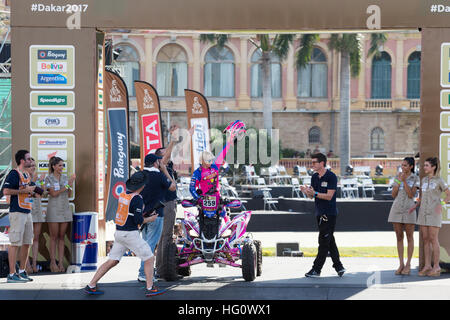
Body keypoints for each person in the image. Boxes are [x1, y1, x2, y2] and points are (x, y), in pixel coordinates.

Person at [85, 171, 165, 297]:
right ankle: (150, 288)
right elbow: (138, 220)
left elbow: (130, 214)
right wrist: (151, 219)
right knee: (149, 258)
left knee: (112, 260)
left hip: (119, 233)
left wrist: (141, 215)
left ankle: (91, 285)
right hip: (130, 234)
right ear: (142, 186)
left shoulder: (123, 195)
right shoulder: (137, 198)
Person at [300, 152, 345, 278]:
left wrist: (314, 194)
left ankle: (316, 269)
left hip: (329, 213)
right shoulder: (314, 177)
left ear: (322, 163)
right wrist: (306, 192)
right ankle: (339, 267)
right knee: (329, 240)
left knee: (323, 241)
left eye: (314, 162)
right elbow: (311, 196)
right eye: (312, 162)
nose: (312, 164)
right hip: (319, 212)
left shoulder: (331, 176)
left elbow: (329, 196)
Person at [137, 153, 176, 282]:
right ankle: (143, 273)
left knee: (145, 244)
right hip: (156, 214)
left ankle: (146, 272)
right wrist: (165, 170)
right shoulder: (159, 175)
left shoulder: (139, 175)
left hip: (141, 215)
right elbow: (172, 187)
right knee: (150, 245)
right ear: (155, 163)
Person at [411, 157, 450, 277]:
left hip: (434, 213)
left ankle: (436, 266)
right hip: (423, 212)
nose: (424, 167)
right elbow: (421, 196)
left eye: (427, 165)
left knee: (433, 239)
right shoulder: (422, 180)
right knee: (425, 239)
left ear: (433, 167)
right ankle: (427, 265)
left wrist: (441, 205)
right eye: (424, 165)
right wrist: (416, 204)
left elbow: (449, 195)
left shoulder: (439, 180)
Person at [3, 150, 37, 283]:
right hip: (17, 212)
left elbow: (34, 192)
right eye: (28, 159)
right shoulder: (14, 173)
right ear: (22, 161)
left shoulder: (27, 175)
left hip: (27, 211)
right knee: (15, 243)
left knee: (27, 242)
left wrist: (35, 189)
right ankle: (12, 274)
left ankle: (22, 271)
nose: (31, 161)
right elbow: (6, 191)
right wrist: (24, 191)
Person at [155, 126, 181, 279]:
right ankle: (164, 270)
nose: (169, 153)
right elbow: (167, 154)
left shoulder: (167, 166)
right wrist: (173, 139)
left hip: (166, 203)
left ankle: (160, 269)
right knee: (166, 237)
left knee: (163, 236)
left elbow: (171, 153)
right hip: (167, 204)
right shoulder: (161, 165)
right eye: (165, 151)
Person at [387, 157, 419, 275]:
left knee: (409, 237)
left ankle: (408, 264)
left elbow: (411, 195)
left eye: (405, 165)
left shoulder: (416, 178)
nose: (403, 167)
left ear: (411, 166)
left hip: (409, 209)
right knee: (399, 237)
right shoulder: (398, 176)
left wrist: (404, 181)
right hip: (396, 208)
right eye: (402, 165)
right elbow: (393, 194)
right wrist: (399, 181)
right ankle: (401, 264)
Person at [44, 156, 76, 273]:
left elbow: (68, 194)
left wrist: (69, 186)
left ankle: (61, 263)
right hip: (53, 209)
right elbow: (53, 194)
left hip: (65, 209)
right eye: (60, 165)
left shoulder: (65, 178)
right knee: (53, 237)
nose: (62, 167)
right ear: (53, 166)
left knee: (62, 237)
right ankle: (53, 263)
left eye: (63, 165)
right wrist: (68, 184)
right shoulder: (48, 179)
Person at [26, 158, 46, 274]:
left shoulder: (37, 178)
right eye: (30, 165)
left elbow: (42, 193)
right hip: (27, 208)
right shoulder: (23, 177)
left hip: (37, 208)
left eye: (34, 165)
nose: (33, 167)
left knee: (36, 238)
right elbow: (28, 193)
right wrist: (34, 191)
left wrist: (41, 181)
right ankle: (26, 265)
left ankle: (34, 264)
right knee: (26, 239)